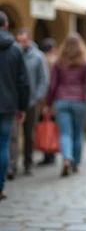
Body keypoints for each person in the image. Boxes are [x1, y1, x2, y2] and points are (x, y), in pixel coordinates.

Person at [44, 33, 86, 177]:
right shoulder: (85, 61)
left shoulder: (59, 61)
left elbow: (52, 84)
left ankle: (67, 158)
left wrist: (48, 103)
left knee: (65, 133)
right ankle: (75, 165)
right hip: (80, 101)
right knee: (77, 133)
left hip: (61, 100)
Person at [11, 28, 49, 176]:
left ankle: (28, 162)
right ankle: (11, 166)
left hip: (31, 102)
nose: (21, 44)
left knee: (29, 134)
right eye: (18, 41)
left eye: (24, 41)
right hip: (14, 102)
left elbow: (43, 79)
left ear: (29, 40)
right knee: (13, 135)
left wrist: (37, 97)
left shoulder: (38, 57)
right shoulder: (13, 54)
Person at [0, 11, 30, 199]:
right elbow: (23, 82)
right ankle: (0, 186)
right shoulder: (16, 49)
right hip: (8, 104)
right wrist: (22, 107)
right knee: (3, 144)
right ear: (6, 25)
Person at [38, 38, 58, 165]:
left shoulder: (40, 59)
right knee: (52, 126)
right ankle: (51, 153)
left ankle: (46, 153)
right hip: (54, 99)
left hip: (41, 99)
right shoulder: (56, 61)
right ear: (52, 49)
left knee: (43, 126)